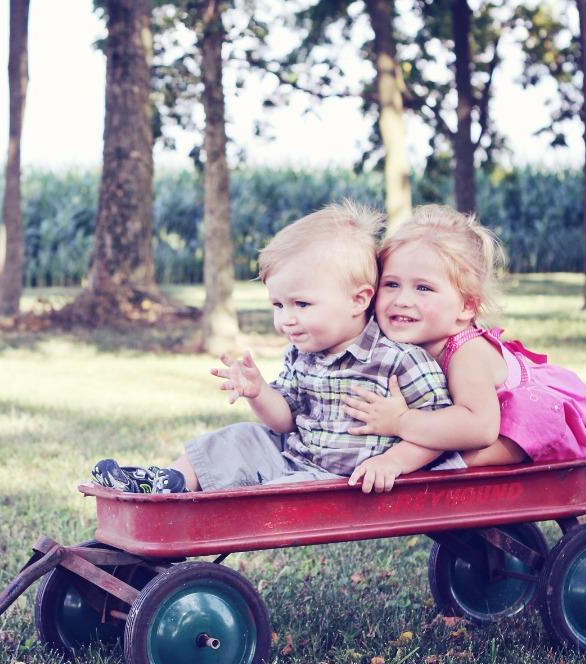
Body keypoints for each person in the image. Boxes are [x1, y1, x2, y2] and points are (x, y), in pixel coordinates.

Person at [92, 201, 456, 496]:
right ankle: (167, 482)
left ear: (357, 299)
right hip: (294, 457)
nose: (286, 320)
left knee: (271, 497)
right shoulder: (302, 352)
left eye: (301, 305)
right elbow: (284, 420)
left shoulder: (400, 360)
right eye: (278, 306)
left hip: (340, 483)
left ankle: (193, 509)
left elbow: (440, 432)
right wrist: (259, 392)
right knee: (240, 436)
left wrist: (394, 462)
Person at [342, 204, 586, 468]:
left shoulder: (467, 355)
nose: (402, 300)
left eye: (423, 288)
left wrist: (401, 421)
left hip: (534, 422)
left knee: (470, 444)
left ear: (466, 307)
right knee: (437, 437)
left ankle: (449, 467)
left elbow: (480, 428)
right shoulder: (402, 341)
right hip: (478, 418)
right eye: (391, 284)